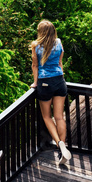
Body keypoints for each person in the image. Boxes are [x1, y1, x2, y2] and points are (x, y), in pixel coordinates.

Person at [30, 19, 73, 166]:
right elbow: (60, 63)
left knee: (47, 117)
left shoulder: (36, 46)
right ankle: (62, 149)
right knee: (59, 117)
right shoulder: (59, 43)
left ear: (40, 32)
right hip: (60, 81)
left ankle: (59, 143)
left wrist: (35, 83)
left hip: (45, 82)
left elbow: (35, 66)